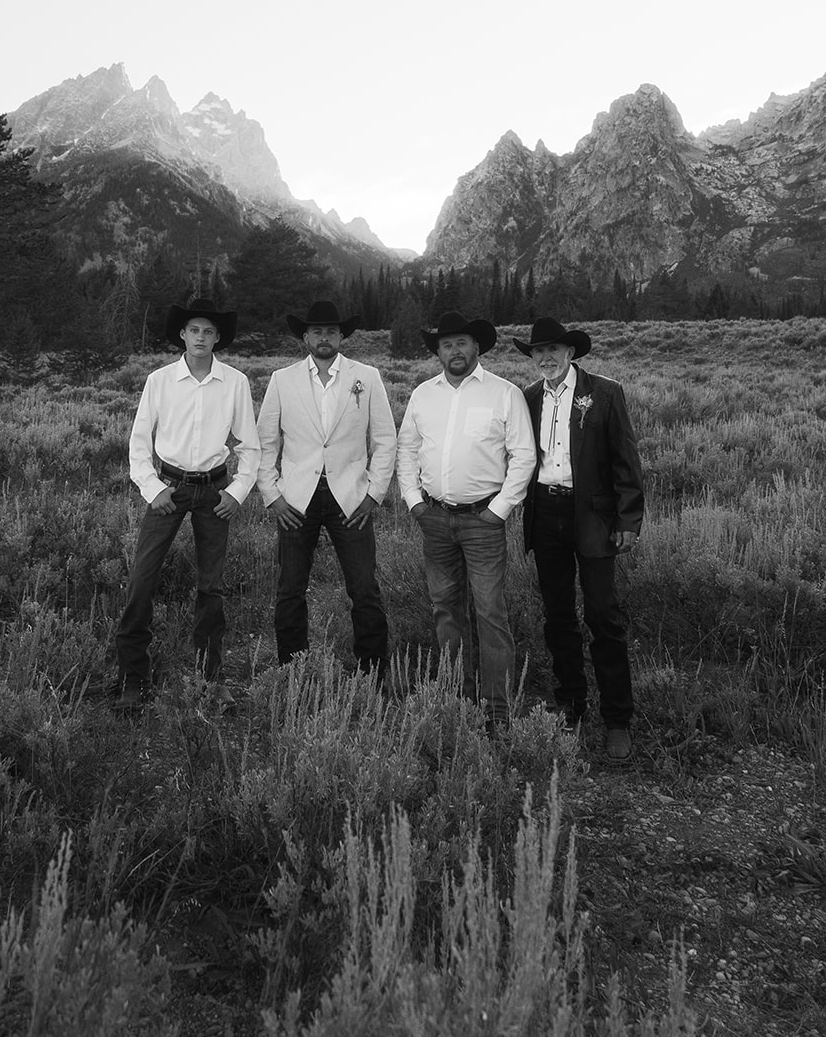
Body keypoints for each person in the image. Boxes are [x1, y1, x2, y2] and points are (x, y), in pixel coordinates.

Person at [116, 297, 259, 711]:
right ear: (183, 334)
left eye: (208, 332)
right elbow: (139, 442)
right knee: (142, 580)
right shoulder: (159, 381)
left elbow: (250, 446)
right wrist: (151, 487)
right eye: (194, 330)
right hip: (169, 490)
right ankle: (132, 680)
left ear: (218, 338)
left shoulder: (235, 382)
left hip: (214, 492)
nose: (200, 337)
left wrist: (236, 492)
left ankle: (211, 681)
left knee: (211, 588)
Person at [397, 309, 536, 726]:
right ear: (437, 351)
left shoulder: (504, 392)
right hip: (435, 519)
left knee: (490, 612)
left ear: (477, 347)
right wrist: (413, 501)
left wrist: (499, 511)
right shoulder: (423, 394)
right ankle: (459, 697)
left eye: (461, 343)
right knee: (445, 609)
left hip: (483, 521)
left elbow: (523, 455)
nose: (454, 351)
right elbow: (407, 448)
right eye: (446, 344)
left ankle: (496, 709)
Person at [515, 316, 644, 761]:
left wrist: (628, 520)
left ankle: (617, 719)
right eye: (538, 351)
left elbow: (626, 462)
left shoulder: (605, 393)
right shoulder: (527, 398)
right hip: (545, 512)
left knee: (604, 616)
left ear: (570, 353)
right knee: (557, 616)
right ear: (531, 357)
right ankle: (570, 704)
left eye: (554, 349)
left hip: (593, 516)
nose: (546, 357)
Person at [257, 300, 397, 675]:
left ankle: (373, 674)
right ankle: (291, 671)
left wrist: (374, 493)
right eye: (317, 331)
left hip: (350, 496)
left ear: (341, 336)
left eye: (331, 331)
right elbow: (266, 443)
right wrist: (272, 495)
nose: (324, 337)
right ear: (305, 337)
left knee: (364, 589)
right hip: (296, 498)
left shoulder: (366, 377)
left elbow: (385, 439)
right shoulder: (281, 380)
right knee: (289, 590)